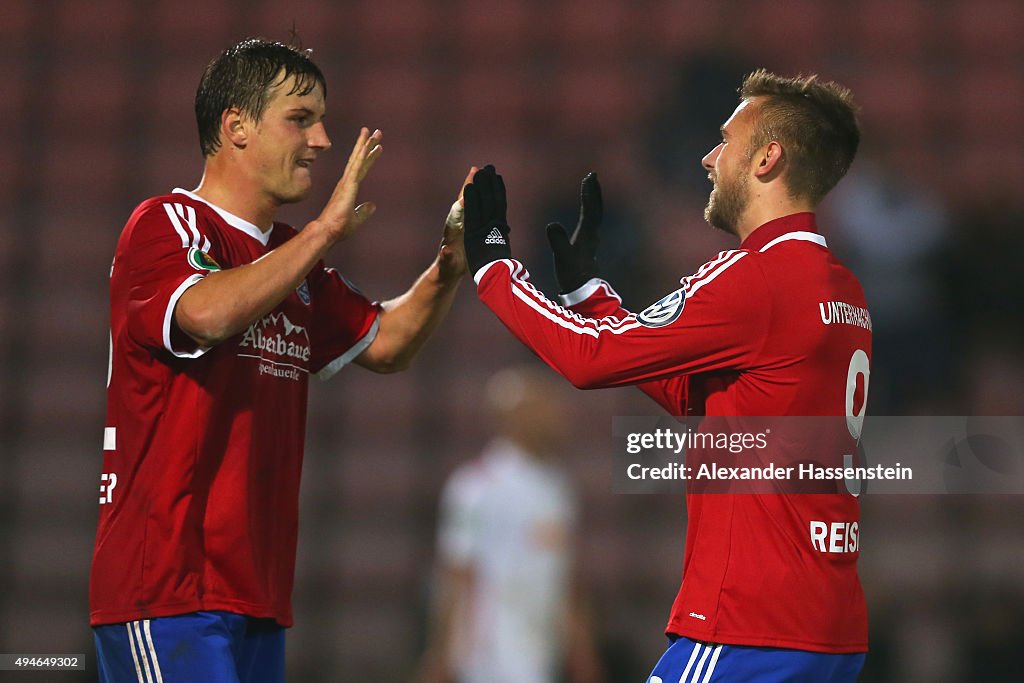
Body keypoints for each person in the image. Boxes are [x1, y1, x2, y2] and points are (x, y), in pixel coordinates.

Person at [461, 69, 871, 682]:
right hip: (828, 631)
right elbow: (698, 396)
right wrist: (589, 294)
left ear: (768, 158)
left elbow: (587, 360)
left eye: (725, 141)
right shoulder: (842, 288)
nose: (708, 158)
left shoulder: (755, 276)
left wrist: (493, 267)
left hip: (747, 626)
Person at [90, 38, 471, 683]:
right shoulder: (169, 223)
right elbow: (206, 314)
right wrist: (325, 231)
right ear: (236, 125)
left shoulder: (292, 260)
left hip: (256, 594)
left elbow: (388, 344)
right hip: (168, 591)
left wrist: (452, 261)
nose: (322, 141)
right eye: (301, 118)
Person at [416, 366, 605, 683]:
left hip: (539, 649)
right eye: (543, 408)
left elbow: (565, 576)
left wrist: (581, 650)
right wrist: (440, 654)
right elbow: (456, 575)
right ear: (514, 418)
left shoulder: (557, 487)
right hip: (491, 653)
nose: (557, 415)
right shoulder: (476, 486)